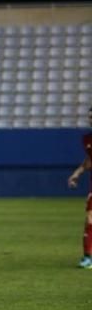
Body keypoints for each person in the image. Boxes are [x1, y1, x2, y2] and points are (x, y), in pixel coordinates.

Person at [66, 106, 92, 268]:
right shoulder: (88, 139)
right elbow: (90, 161)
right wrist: (77, 173)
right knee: (89, 220)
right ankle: (88, 257)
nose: (91, 119)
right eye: (90, 117)